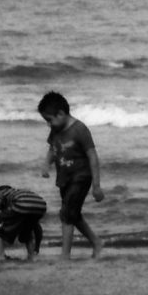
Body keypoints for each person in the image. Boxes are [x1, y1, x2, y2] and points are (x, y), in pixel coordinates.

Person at [39, 91, 104, 258]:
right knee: (72, 214)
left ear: (61, 113)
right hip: (64, 178)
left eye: (49, 119)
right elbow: (52, 149)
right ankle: (96, 242)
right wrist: (47, 164)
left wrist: (96, 186)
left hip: (81, 176)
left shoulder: (80, 129)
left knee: (67, 214)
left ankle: (65, 255)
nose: (49, 124)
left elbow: (92, 156)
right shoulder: (55, 130)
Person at [0, 184, 48, 260]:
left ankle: (0, 255)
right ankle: (32, 255)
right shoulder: (19, 193)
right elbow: (38, 229)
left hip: (20, 204)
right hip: (41, 205)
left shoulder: (3, 192)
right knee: (27, 231)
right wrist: (37, 247)